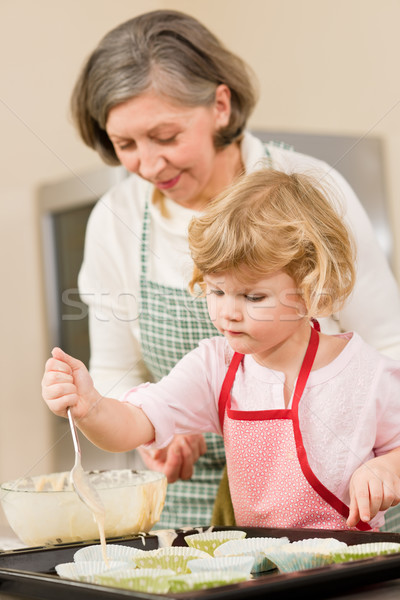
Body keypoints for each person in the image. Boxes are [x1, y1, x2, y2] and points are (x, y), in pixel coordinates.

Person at [71, 9, 400, 528]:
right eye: (126, 145)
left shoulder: (312, 188)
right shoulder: (115, 220)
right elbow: (115, 371)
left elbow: (390, 341)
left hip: (341, 504)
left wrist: (385, 461)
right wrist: (155, 425)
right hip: (192, 509)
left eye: (166, 136)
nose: (149, 165)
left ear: (220, 106)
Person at [43, 169, 400, 531]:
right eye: (216, 291)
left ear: (312, 287)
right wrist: (92, 407)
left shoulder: (369, 374)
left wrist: (386, 467)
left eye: (252, 296)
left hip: (352, 574)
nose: (227, 311)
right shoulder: (216, 367)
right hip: (256, 577)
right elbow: (132, 425)